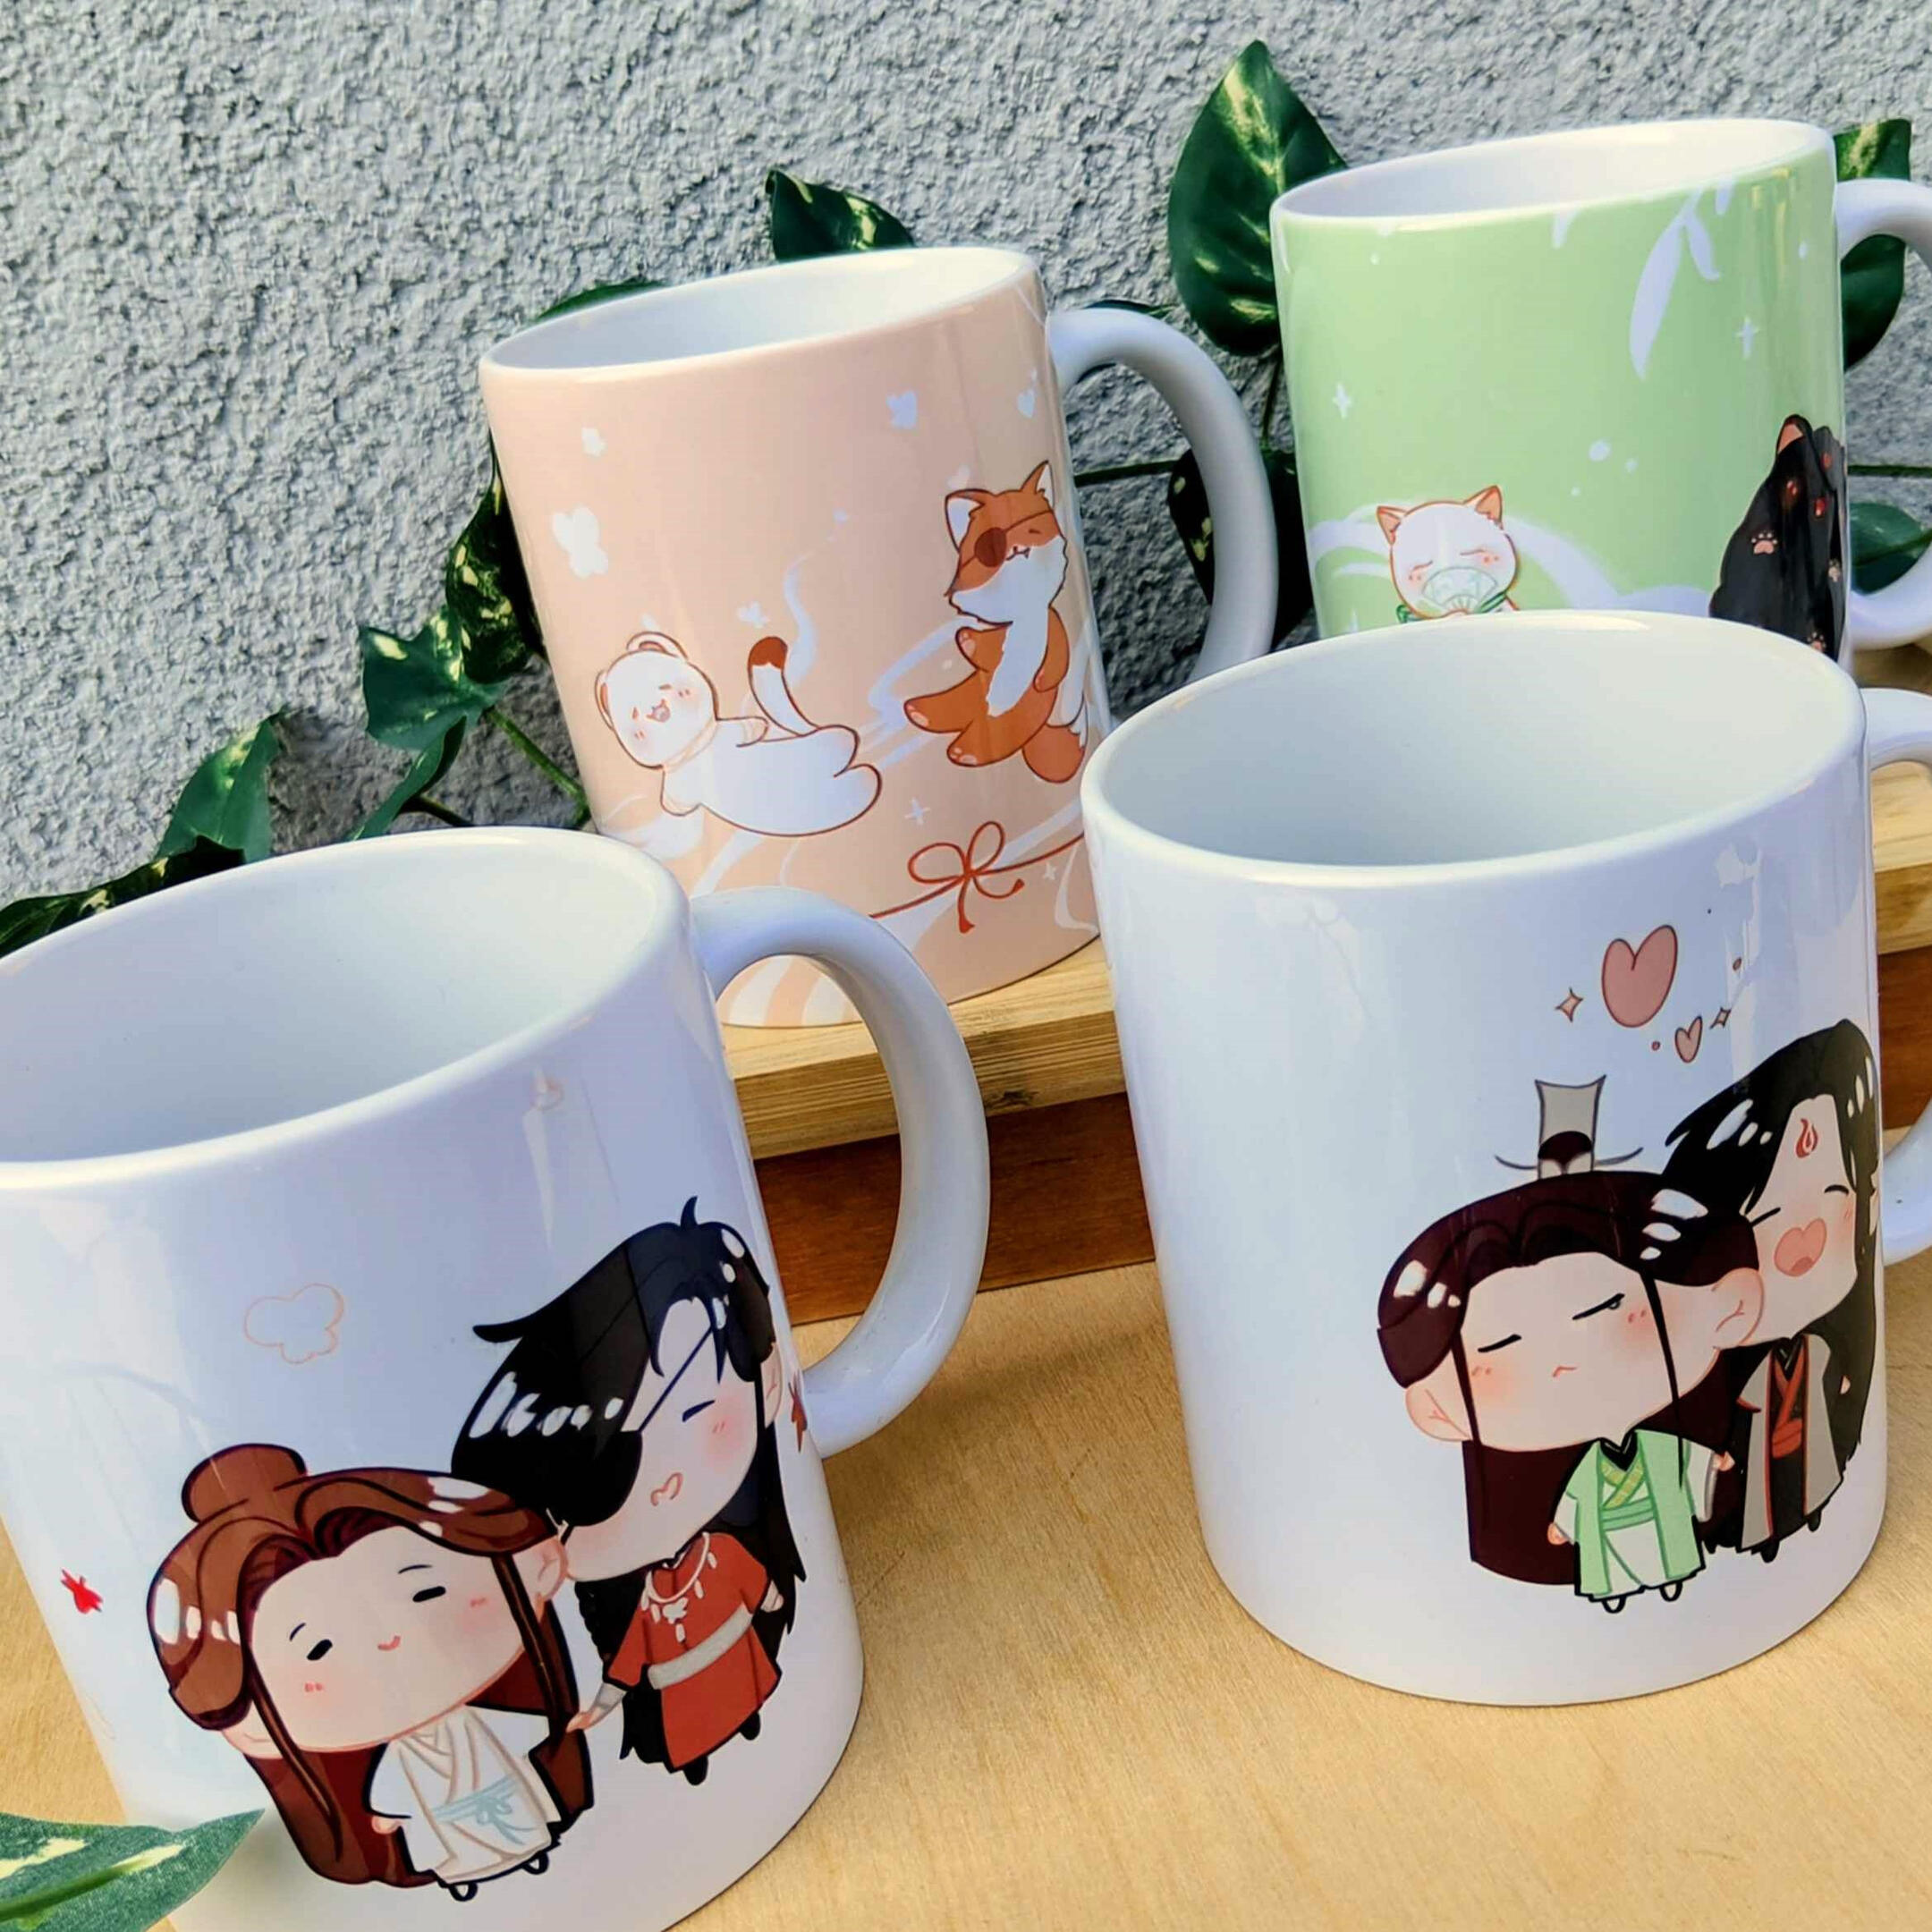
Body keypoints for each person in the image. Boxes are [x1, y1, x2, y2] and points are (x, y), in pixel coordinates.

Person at [453, 1201, 802, 1785]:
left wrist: (768, 1600)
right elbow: (629, 1659)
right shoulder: (646, 1601)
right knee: (691, 1725)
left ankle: (746, 1724)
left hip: (735, 1657)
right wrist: (604, 1703)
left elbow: (757, 1585)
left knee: (743, 1693)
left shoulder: (719, 1553)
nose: (665, 1484)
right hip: (679, 1686)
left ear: (764, 1376)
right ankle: (698, 1758)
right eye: (601, 1483)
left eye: (698, 1414)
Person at [1377, 1081, 1762, 1609]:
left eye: (1602, 1311)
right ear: (1437, 1410)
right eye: (1502, 1344)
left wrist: (1710, 1468)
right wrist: (1562, 1527)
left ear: (1731, 1305)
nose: (1562, 1362)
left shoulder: (1662, 1449)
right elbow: (1574, 1506)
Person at [148, 1445, 589, 1896]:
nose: (389, 1640)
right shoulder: (399, 1758)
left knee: (520, 1826)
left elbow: (528, 1735)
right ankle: (468, 1876)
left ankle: (525, 1854)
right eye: (318, 1648)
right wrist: (388, 1813)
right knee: (464, 1851)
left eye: (427, 1592)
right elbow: (393, 1788)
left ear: (538, 1565)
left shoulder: (476, 1721)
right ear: (250, 1728)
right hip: (449, 1819)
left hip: (510, 1800)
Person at [1662, 1021, 1880, 1559]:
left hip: (1808, 1439)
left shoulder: (1819, 1347)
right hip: (1758, 1449)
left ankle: (1810, 1514)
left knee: (1812, 1477)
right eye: (1766, 1219)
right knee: (1763, 1493)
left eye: (1835, 1193)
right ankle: (1768, 1540)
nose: (1804, 1240)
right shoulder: (1723, 1377)